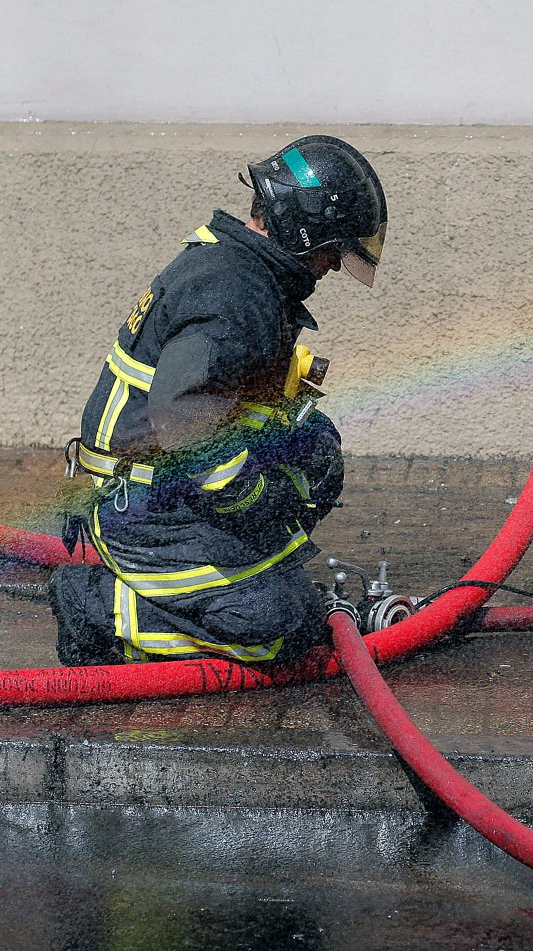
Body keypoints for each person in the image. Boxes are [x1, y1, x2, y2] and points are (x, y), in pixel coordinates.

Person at [49, 135, 387, 666]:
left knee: (315, 447)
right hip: (145, 510)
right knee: (281, 628)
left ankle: (225, 578)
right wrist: (259, 495)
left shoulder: (240, 270)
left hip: (163, 489)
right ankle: (100, 607)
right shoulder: (234, 293)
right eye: (334, 248)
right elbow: (185, 428)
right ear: (306, 230)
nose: (335, 266)